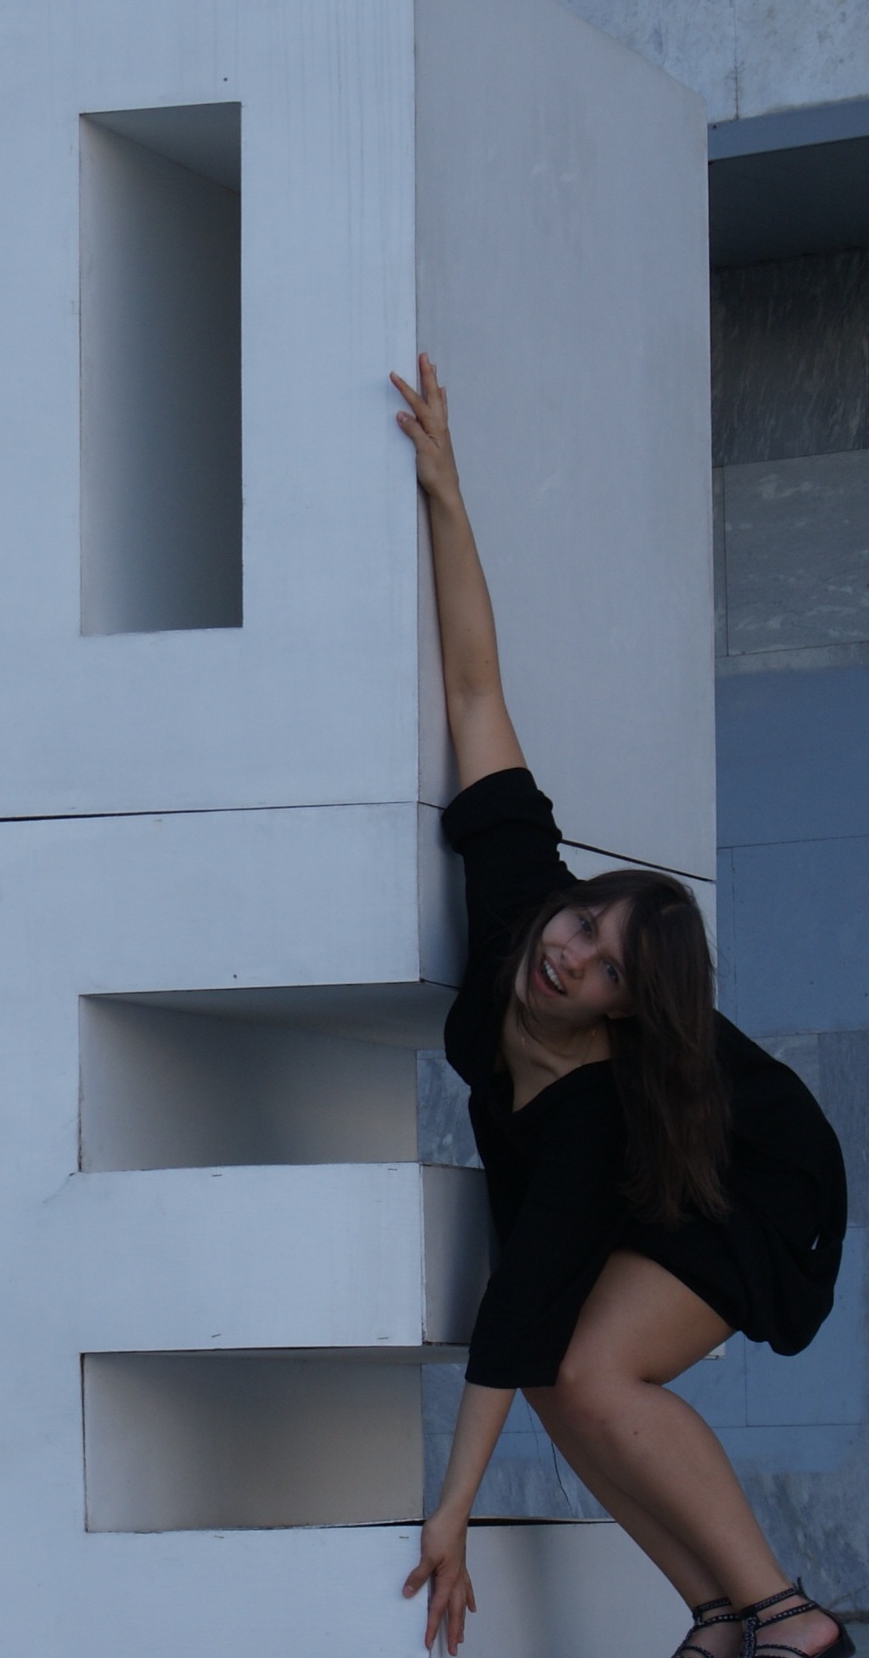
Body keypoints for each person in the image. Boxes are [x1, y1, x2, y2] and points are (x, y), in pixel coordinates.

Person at [390, 356, 851, 1658]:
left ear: (622, 1014)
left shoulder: (598, 1106)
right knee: (556, 1371)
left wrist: (451, 1512)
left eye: (603, 971)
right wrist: (446, 491)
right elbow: (476, 692)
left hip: (754, 1172)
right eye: (585, 923)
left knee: (589, 1365)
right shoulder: (518, 908)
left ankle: (790, 1620)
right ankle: (715, 1615)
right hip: (674, 1150)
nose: (570, 957)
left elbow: (516, 1295)